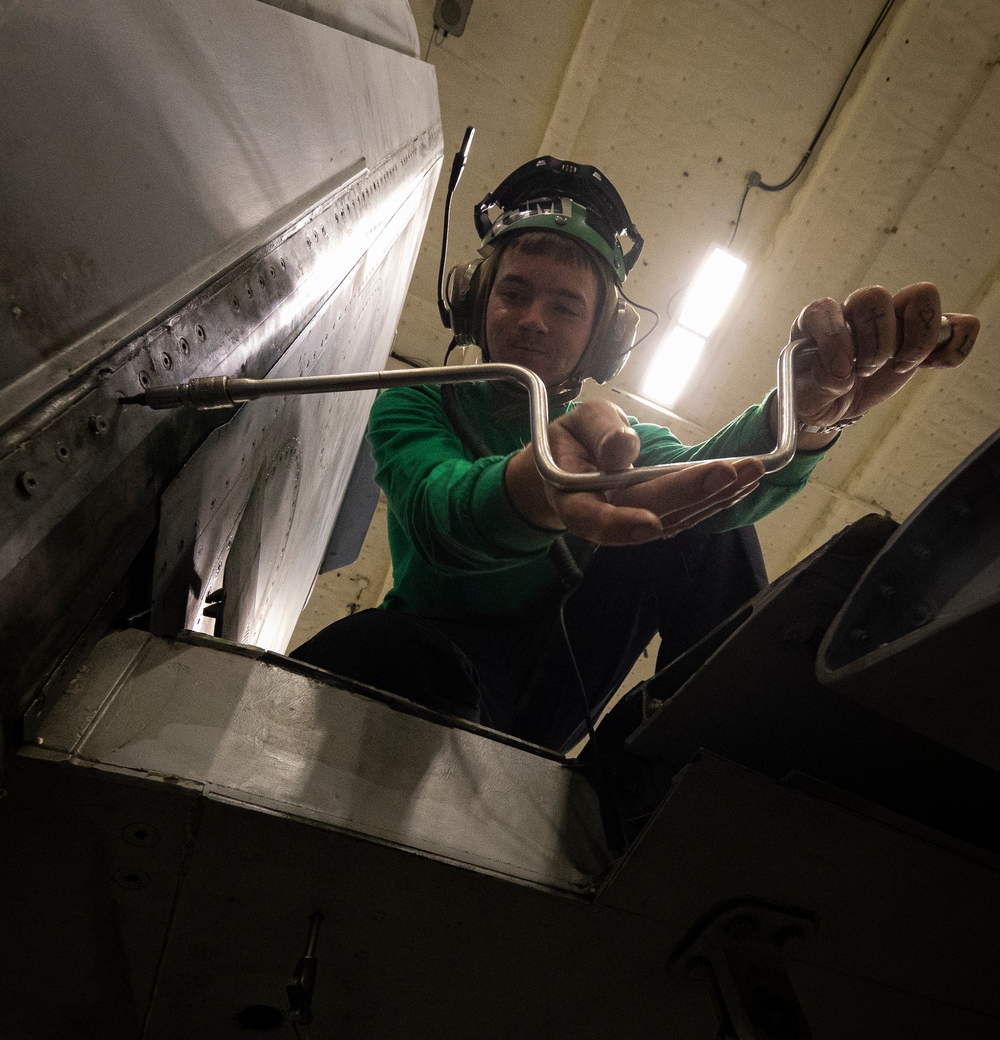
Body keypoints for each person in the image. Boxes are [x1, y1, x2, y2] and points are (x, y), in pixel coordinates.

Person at [291, 157, 979, 754]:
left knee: (705, 520)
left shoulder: (615, 436)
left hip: (555, 683)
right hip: (430, 662)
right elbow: (437, 511)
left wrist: (802, 413)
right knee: (368, 647)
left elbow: (713, 473)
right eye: (514, 292)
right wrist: (536, 490)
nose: (532, 318)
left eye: (565, 306)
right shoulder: (419, 403)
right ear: (476, 302)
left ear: (601, 336)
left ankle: (698, 755)